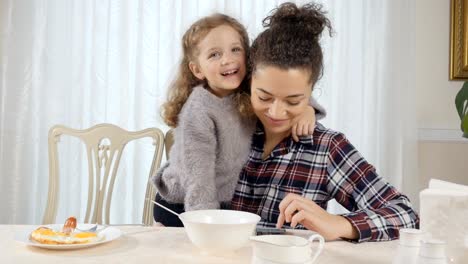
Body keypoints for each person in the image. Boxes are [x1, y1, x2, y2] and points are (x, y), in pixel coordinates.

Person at [231, 2, 419, 242]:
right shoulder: (226, 128)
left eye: (293, 100)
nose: (276, 112)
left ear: (311, 91)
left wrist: (339, 224)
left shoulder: (326, 147)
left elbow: (406, 214)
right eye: (264, 97)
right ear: (249, 81)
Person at [152, 13, 325, 227]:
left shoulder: (248, 87)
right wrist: (207, 225)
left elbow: (288, 89)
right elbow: (198, 180)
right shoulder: (198, 113)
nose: (227, 59)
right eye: (214, 54)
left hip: (222, 200)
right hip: (182, 204)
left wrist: (307, 109)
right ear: (197, 69)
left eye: (235, 49)